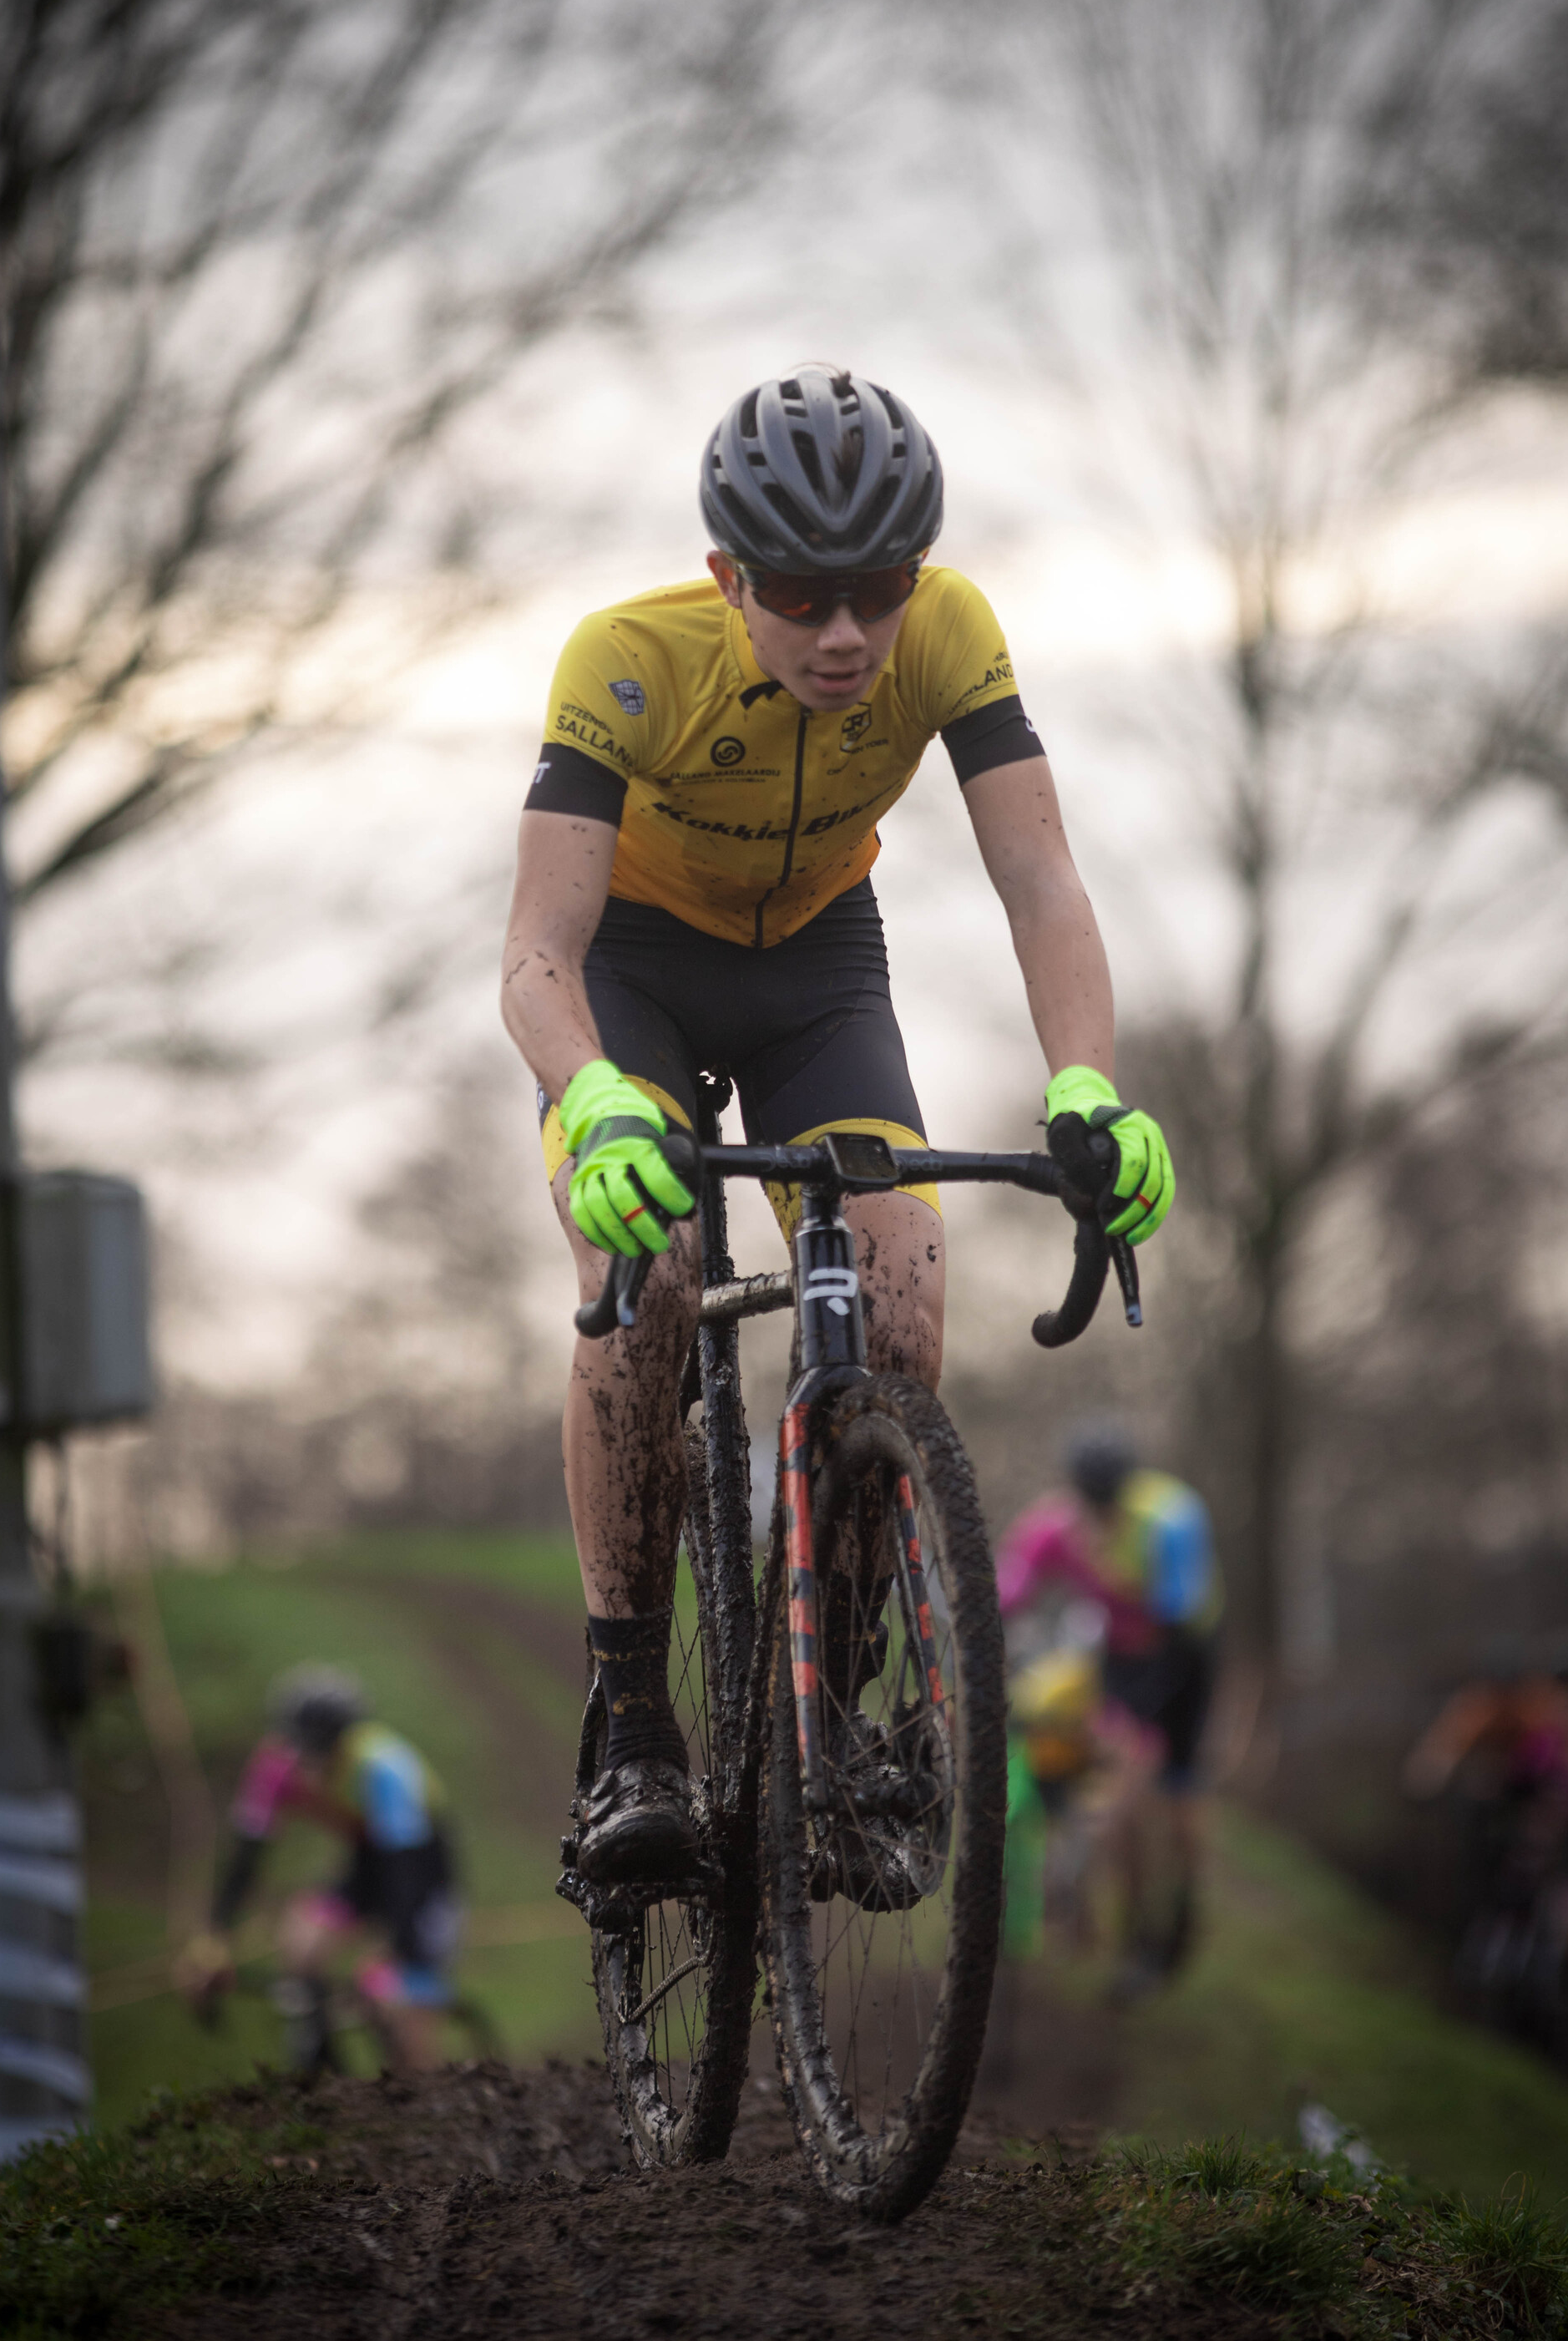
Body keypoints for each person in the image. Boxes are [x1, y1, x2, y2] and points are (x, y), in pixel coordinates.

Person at [500, 362, 1177, 1887]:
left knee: (904, 1294)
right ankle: (628, 1724)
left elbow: (1041, 882)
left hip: (817, 969)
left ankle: (842, 1711)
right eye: (804, 595)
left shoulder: (951, 635)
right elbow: (540, 947)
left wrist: (1085, 1085)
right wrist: (594, 1094)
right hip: (637, 976)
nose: (848, 634)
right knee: (656, 1273)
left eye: (879, 588)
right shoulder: (625, 658)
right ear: (730, 575)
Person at [997, 1424, 1221, 1990]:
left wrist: (1110, 1570)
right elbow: (1008, 1587)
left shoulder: (1171, 1516)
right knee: (1122, 1796)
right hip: (1120, 1660)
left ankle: (1183, 1914)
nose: (1099, 1513)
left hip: (1183, 1658)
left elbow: (1179, 1611)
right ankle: (1135, 1941)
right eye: (1089, 1502)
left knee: (1177, 1798)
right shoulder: (1056, 1524)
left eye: (1108, 1502)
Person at [178, 1667, 459, 2073]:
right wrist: (214, 1943)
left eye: (324, 1750)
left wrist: (394, 1953)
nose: (310, 1763)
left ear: (347, 1738)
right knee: (302, 1944)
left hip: (423, 1870)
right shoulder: (273, 1767)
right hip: (366, 1863)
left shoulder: (384, 1767)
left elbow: (407, 1876)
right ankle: (323, 2074)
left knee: (398, 2003)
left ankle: (421, 2087)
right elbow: (246, 1860)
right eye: (300, 1746)